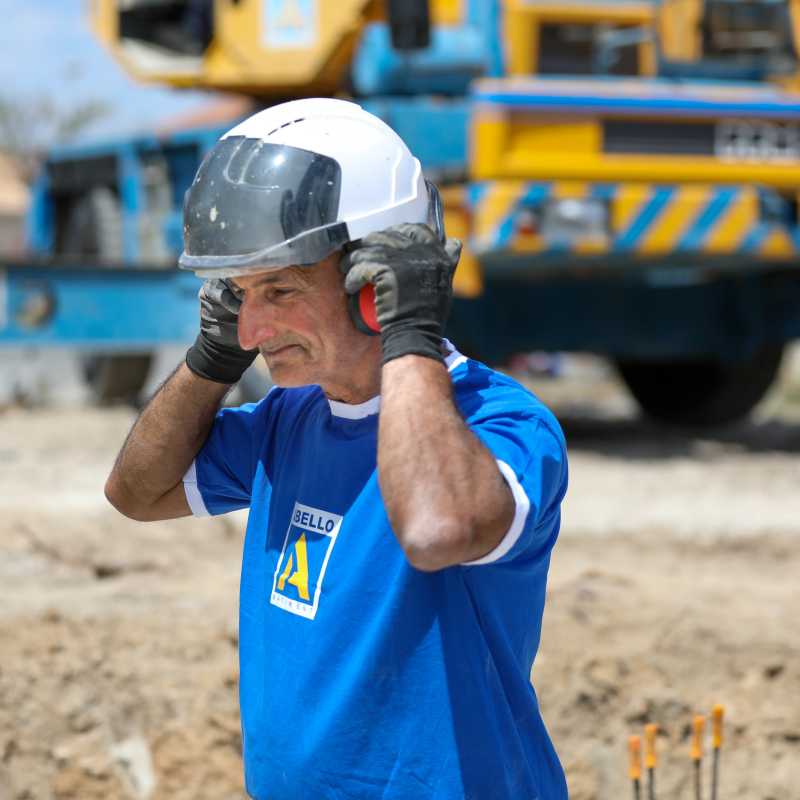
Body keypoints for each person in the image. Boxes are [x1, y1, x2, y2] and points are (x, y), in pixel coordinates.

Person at [105, 98, 569, 800]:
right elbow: (136, 493)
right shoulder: (288, 419)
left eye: (279, 290)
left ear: (374, 286)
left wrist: (410, 334)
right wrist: (210, 359)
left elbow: (437, 528)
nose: (252, 330)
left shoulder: (503, 424)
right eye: (240, 295)